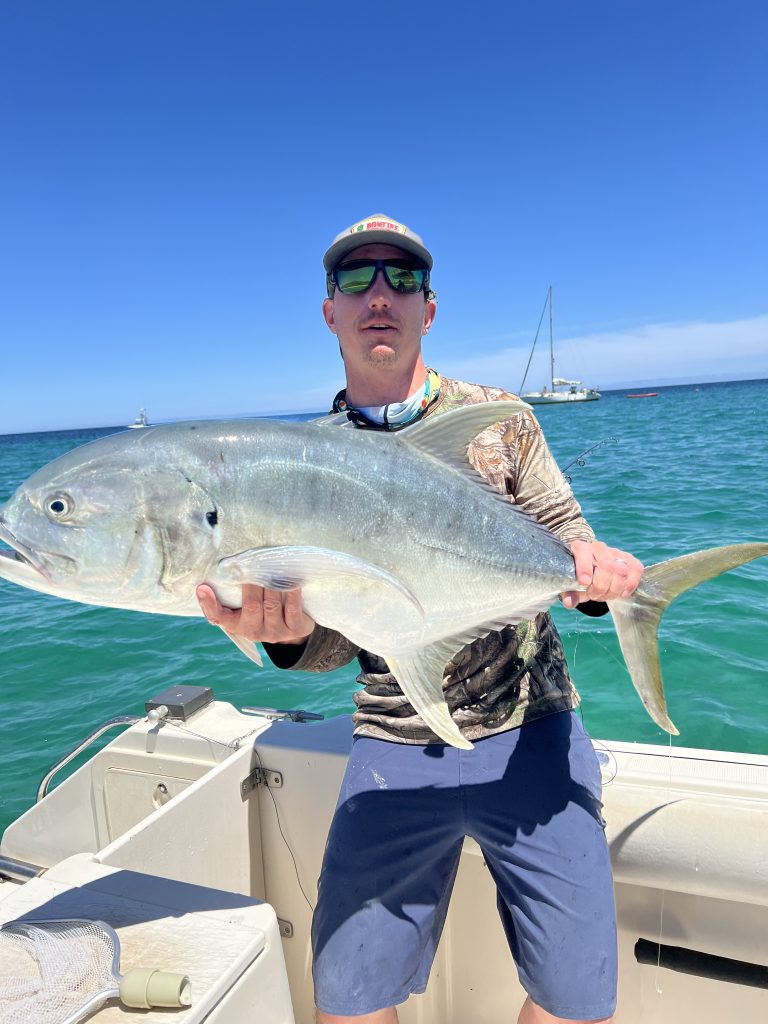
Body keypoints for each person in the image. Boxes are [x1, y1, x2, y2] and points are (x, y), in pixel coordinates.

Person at [197, 214, 643, 1024]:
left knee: (579, 1006)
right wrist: (284, 635)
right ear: (328, 310)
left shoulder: (497, 417)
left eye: (401, 277)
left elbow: (566, 542)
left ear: (427, 310)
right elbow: (336, 637)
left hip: (532, 725)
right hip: (395, 735)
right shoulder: (303, 463)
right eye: (355, 278)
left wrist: (599, 576)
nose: (379, 293)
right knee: (346, 1000)